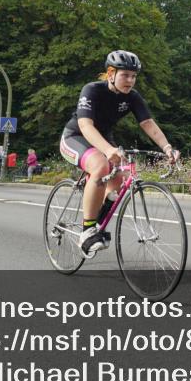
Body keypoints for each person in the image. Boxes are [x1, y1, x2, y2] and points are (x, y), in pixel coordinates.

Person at [59, 50, 180, 255]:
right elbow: (86, 125)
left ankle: (100, 216)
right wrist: (107, 150)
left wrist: (167, 147)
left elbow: (148, 123)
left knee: (120, 178)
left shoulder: (132, 97)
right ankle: (87, 231)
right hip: (75, 137)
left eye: (134, 76)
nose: (131, 81)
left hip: (105, 141)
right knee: (101, 165)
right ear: (111, 73)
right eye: (125, 75)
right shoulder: (92, 90)